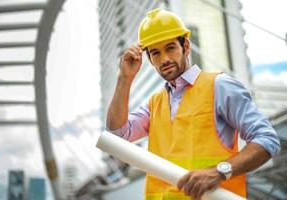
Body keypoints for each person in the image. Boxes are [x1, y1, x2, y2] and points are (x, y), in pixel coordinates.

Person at [106, 8, 280, 200]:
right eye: (155, 53)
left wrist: (219, 171)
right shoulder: (154, 104)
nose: (164, 59)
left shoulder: (220, 86)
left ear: (186, 46)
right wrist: (125, 77)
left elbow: (266, 139)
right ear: (149, 59)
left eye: (170, 48)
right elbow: (117, 135)